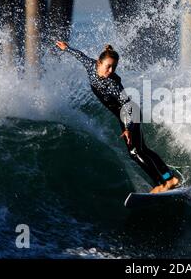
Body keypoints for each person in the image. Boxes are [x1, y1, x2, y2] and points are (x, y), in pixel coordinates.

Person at [55, 41, 180, 193]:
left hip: (130, 115)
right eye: (108, 66)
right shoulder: (91, 65)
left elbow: (127, 105)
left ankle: (161, 184)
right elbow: (81, 56)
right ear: (99, 63)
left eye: (114, 67)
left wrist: (128, 128)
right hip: (125, 116)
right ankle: (169, 178)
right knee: (143, 150)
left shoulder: (113, 84)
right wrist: (67, 48)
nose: (111, 70)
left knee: (135, 153)